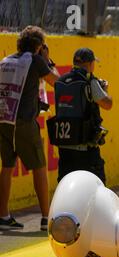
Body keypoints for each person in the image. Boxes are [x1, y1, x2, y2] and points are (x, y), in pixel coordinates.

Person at [0, 26, 59, 231]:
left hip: (4, 120)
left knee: (7, 167)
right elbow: (56, 82)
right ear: (38, 45)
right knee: (39, 167)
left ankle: (3, 215)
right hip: (24, 121)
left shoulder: (6, 61)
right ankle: (46, 218)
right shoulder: (35, 60)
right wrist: (47, 59)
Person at [50, 48, 112, 185]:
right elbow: (107, 104)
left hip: (64, 146)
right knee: (97, 186)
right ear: (90, 64)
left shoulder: (60, 81)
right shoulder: (90, 81)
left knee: (65, 186)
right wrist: (105, 90)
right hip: (85, 148)